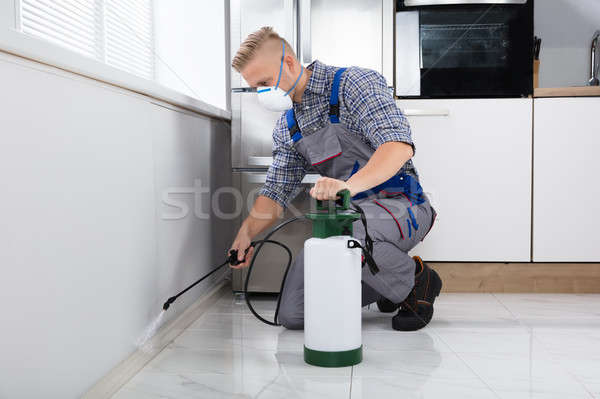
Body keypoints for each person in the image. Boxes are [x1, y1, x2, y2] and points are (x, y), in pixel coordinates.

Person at [229, 26, 442, 331]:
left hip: (403, 205)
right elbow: (276, 190)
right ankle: (388, 284)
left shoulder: (354, 84)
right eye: (254, 87)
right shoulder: (287, 126)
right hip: (349, 218)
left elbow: (398, 147)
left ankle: (416, 282)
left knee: (347, 229)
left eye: (264, 82)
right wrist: (246, 233)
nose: (261, 92)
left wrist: (347, 186)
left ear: (288, 62)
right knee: (294, 314)